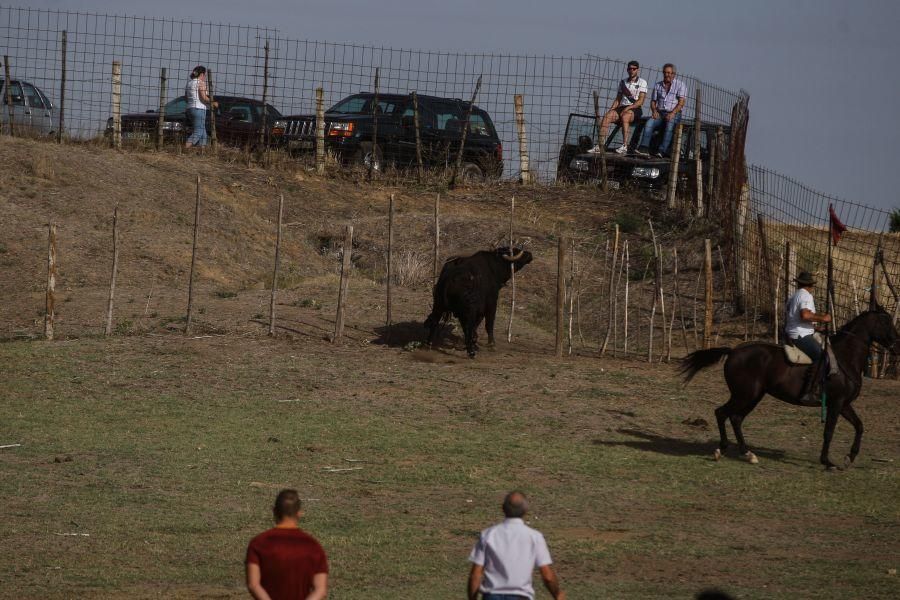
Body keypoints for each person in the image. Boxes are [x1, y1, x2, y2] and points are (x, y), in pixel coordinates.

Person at [467, 491, 565, 600]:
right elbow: (547, 576)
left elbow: (476, 574)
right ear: (525, 510)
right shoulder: (534, 537)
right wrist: (557, 594)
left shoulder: (488, 535)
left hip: (491, 595)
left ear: (503, 508)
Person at [245, 489, 329, 600]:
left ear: (274, 511)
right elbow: (320, 590)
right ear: (299, 513)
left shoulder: (259, 543)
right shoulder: (313, 546)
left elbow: (253, 585)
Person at [785, 271, 832, 403]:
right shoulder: (806, 296)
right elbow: (805, 315)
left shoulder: (794, 296)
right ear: (810, 285)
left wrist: (815, 328)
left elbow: (795, 318)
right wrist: (823, 318)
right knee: (822, 356)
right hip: (800, 335)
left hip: (794, 331)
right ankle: (809, 391)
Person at [589, 60, 647, 155]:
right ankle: (600, 145)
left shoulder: (642, 82)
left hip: (635, 108)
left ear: (638, 70)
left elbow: (641, 101)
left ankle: (625, 146)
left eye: (634, 69)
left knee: (625, 116)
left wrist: (628, 108)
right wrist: (611, 110)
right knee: (607, 116)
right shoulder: (623, 82)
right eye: (629, 68)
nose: (631, 70)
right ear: (627, 70)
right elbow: (618, 99)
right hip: (622, 106)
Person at [634, 63, 687, 158]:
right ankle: (644, 147)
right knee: (649, 123)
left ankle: (662, 151)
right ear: (663, 73)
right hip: (660, 112)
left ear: (674, 74)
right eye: (665, 72)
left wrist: (672, 113)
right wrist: (654, 111)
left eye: (670, 73)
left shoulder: (680, 85)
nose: (667, 75)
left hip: (674, 112)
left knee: (669, 126)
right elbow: (653, 101)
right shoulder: (658, 85)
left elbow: (681, 102)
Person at [185, 65, 212, 148]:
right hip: (199, 109)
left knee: (203, 132)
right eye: (205, 75)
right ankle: (185, 148)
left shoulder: (189, 83)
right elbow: (204, 97)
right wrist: (213, 102)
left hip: (190, 108)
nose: (205, 77)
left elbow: (186, 97)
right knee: (199, 131)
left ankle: (201, 152)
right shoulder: (201, 83)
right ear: (202, 74)